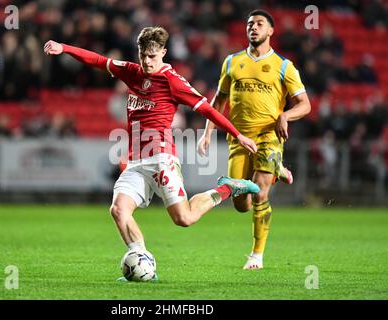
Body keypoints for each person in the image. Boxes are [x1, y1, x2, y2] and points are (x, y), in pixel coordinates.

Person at [44, 26, 260, 280]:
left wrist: (238, 135)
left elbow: (208, 110)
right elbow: (99, 60)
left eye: (153, 56)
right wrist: (64, 48)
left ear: (164, 53)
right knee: (118, 210)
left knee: (184, 219)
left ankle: (228, 187)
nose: (147, 61)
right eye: (143, 55)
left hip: (161, 160)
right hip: (136, 162)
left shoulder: (173, 81)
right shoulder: (132, 72)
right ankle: (143, 263)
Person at [198, 9, 311, 270]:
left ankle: (256, 255)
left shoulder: (284, 66)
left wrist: (285, 116)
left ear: (271, 31)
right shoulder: (232, 62)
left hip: (268, 137)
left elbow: (305, 105)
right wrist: (206, 134)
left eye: (260, 24)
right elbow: (218, 101)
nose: (254, 27)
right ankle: (277, 171)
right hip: (239, 138)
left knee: (260, 193)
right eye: (250, 23)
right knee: (240, 204)